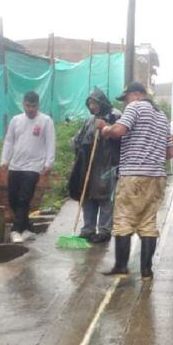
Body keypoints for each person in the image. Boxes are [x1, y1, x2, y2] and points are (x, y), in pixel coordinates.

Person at [98, 81, 173, 279]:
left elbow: (119, 131)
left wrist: (105, 129)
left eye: (126, 98)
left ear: (137, 95)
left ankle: (121, 266)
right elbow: (169, 152)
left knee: (123, 219)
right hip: (156, 177)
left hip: (133, 175)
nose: (125, 103)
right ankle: (146, 271)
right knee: (148, 223)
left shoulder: (135, 107)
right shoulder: (161, 116)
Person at [1, 91, 56, 243]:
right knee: (13, 199)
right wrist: (4, 160)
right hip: (15, 165)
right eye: (27, 105)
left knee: (24, 198)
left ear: (38, 105)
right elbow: (9, 141)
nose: (30, 109)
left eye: (33, 106)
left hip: (34, 166)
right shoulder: (16, 120)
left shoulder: (46, 121)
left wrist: (48, 163)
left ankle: (15, 230)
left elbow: (50, 143)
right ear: (23, 104)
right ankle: (27, 228)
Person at [70, 88, 120, 243]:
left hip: (107, 164)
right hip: (89, 164)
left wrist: (106, 127)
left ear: (102, 102)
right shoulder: (90, 120)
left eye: (95, 103)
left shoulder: (115, 115)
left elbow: (121, 137)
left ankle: (104, 230)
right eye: (90, 103)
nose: (92, 106)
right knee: (88, 195)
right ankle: (88, 229)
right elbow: (79, 139)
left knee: (105, 197)